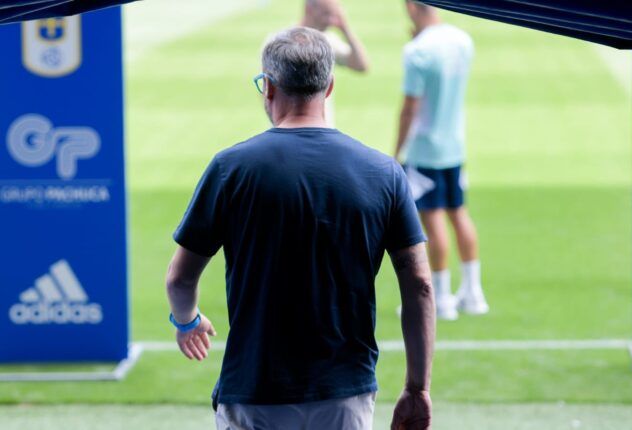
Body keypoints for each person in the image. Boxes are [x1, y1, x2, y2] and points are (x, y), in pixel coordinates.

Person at [165, 27, 434, 430]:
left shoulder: (230, 169)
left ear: (268, 87)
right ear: (329, 87)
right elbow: (420, 286)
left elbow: (180, 279)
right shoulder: (384, 173)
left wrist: (187, 322)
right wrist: (417, 388)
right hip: (345, 392)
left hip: (254, 389)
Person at [394, 1, 489, 321]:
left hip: (424, 149)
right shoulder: (462, 40)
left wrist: (397, 151)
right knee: (459, 214)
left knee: (432, 220)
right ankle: (473, 292)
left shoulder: (417, 50)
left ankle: (441, 298)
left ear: (411, 6)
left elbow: (410, 106)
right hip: (454, 146)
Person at [300, 0, 369, 125]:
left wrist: (345, 28)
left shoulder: (328, 41)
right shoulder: (280, 43)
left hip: (322, 129)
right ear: (309, 9)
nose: (331, 21)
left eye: (333, 15)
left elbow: (361, 66)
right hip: (291, 130)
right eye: (326, 14)